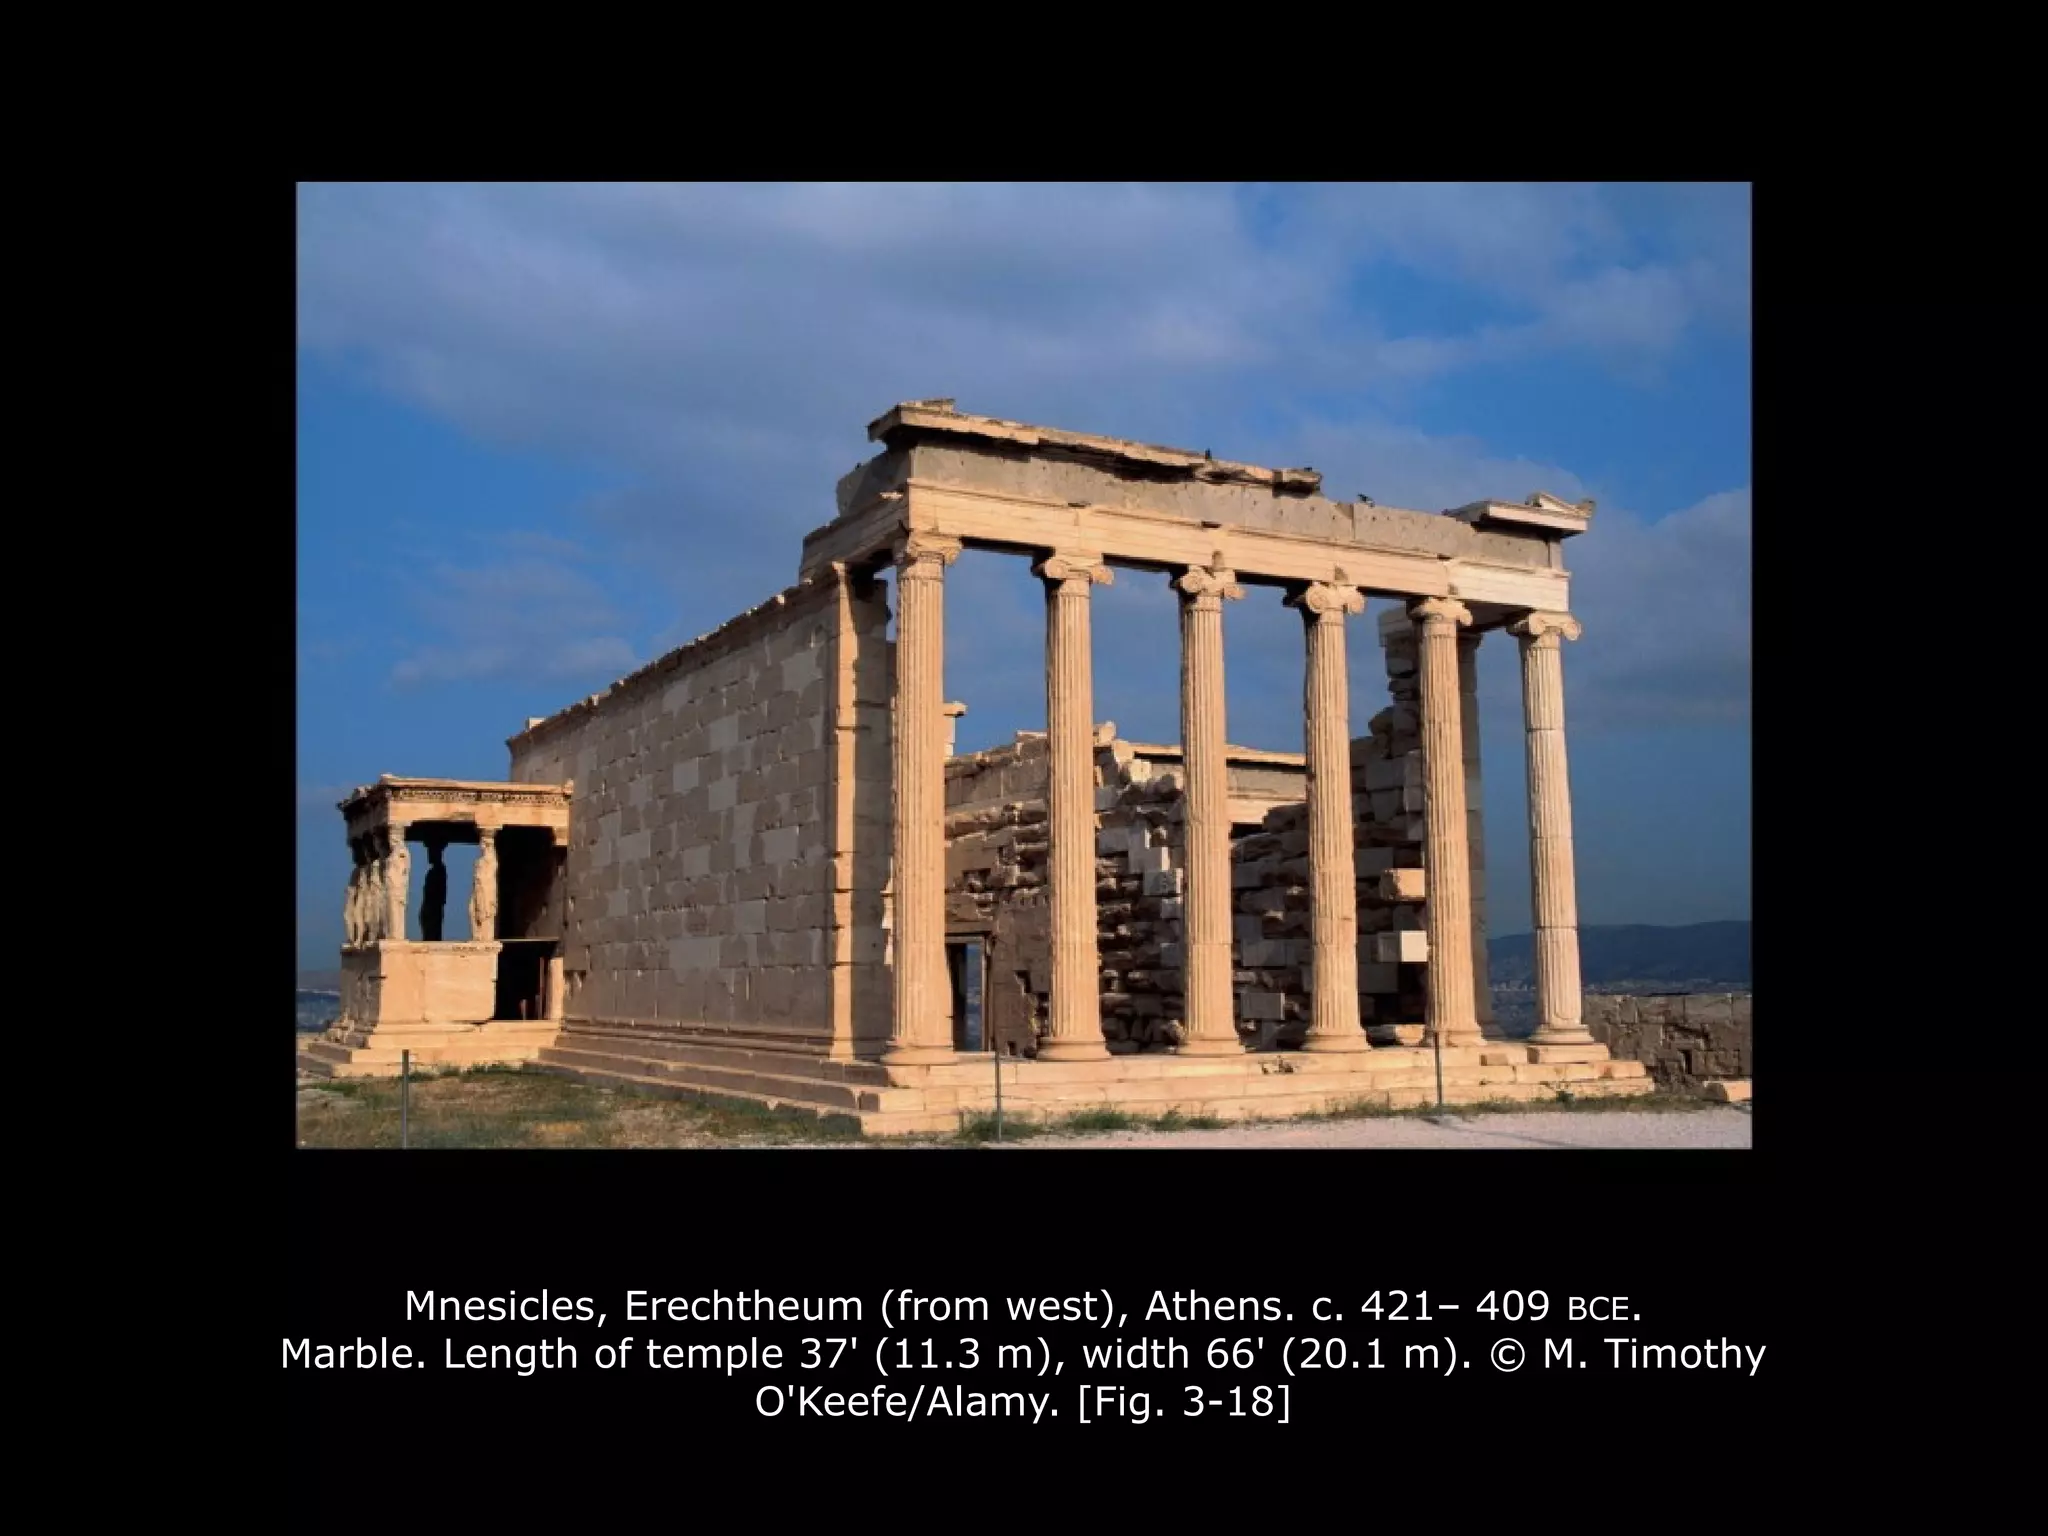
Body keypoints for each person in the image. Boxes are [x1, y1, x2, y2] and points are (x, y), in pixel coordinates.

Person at [420, 840, 448, 942]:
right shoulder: (432, 871)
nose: (429, 856)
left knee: (432, 932)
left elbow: (440, 894)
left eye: (431, 853)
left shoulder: (440, 870)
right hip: (429, 906)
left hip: (434, 907)